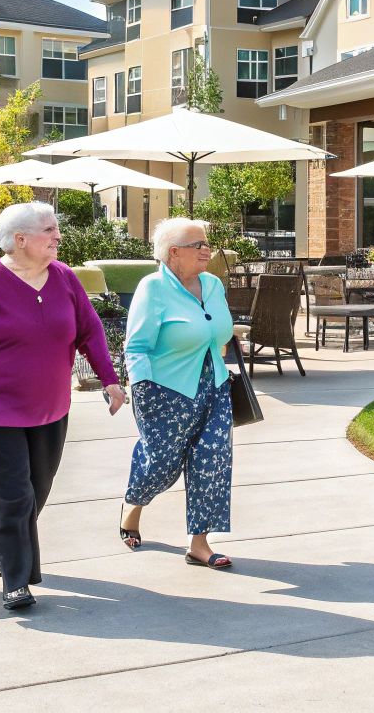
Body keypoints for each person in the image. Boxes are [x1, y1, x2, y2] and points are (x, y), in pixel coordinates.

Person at [0, 202, 126, 611]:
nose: (58, 236)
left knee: (35, 489)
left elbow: (89, 330)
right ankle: (16, 580)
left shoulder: (64, 278)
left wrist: (110, 379)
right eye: (49, 230)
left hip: (50, 406)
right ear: (20, 240)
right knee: (12, 495)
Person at [118, 216, 236, 569]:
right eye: (197, 245)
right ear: (174, 253)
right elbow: (136, 346)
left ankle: (199, 543)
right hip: (164, 389)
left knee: (212, 459)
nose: (206, 250)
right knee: (161, 463)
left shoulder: (213, 284)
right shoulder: (153, 288)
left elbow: (221, 331)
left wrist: (218, 353)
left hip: (213, 384)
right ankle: (133, 505)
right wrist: (141, 389)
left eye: (206, 243)